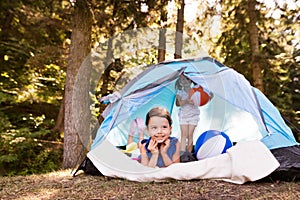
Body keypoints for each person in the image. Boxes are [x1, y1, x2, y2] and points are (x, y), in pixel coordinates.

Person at [175, 74, 200, 153]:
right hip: (184, 116)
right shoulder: (180, 92)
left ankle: (189, 153)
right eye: (183, 80)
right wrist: (186, 101)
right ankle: (182, 152)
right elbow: (178, 103)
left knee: (190, 134)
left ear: (191, 81)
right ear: (180, 81)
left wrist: (195, 101)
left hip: (193, 115)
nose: (185, 81)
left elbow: (201, 100)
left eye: (187, 79)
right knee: (184, 135)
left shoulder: (195, 91)